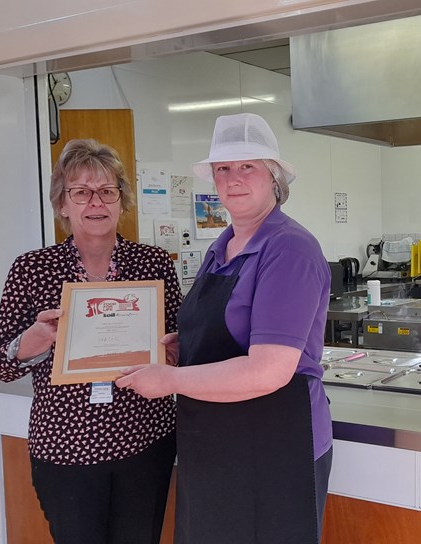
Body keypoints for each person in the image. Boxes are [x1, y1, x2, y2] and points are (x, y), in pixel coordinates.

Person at [116, 113, 333, 543]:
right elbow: (230, 330)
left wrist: (170, 379)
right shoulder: (222, 247)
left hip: (275, 445)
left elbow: (269, 370)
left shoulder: (288, 248)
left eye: (247, 166)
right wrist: (189, 346)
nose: (233, 178)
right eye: (223, 169)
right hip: (215, 441)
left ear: (274, 177)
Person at [0, 139, 182, 544]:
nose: (96, 202)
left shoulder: (154, 264)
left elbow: (180, 348)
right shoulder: (32, 269)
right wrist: (36, 337)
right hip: (66, 449)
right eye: (81, 192)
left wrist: (175, 351)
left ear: (121, 201)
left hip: (144, 441)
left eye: (108, 191)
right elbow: (1, 363)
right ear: (63, 204)